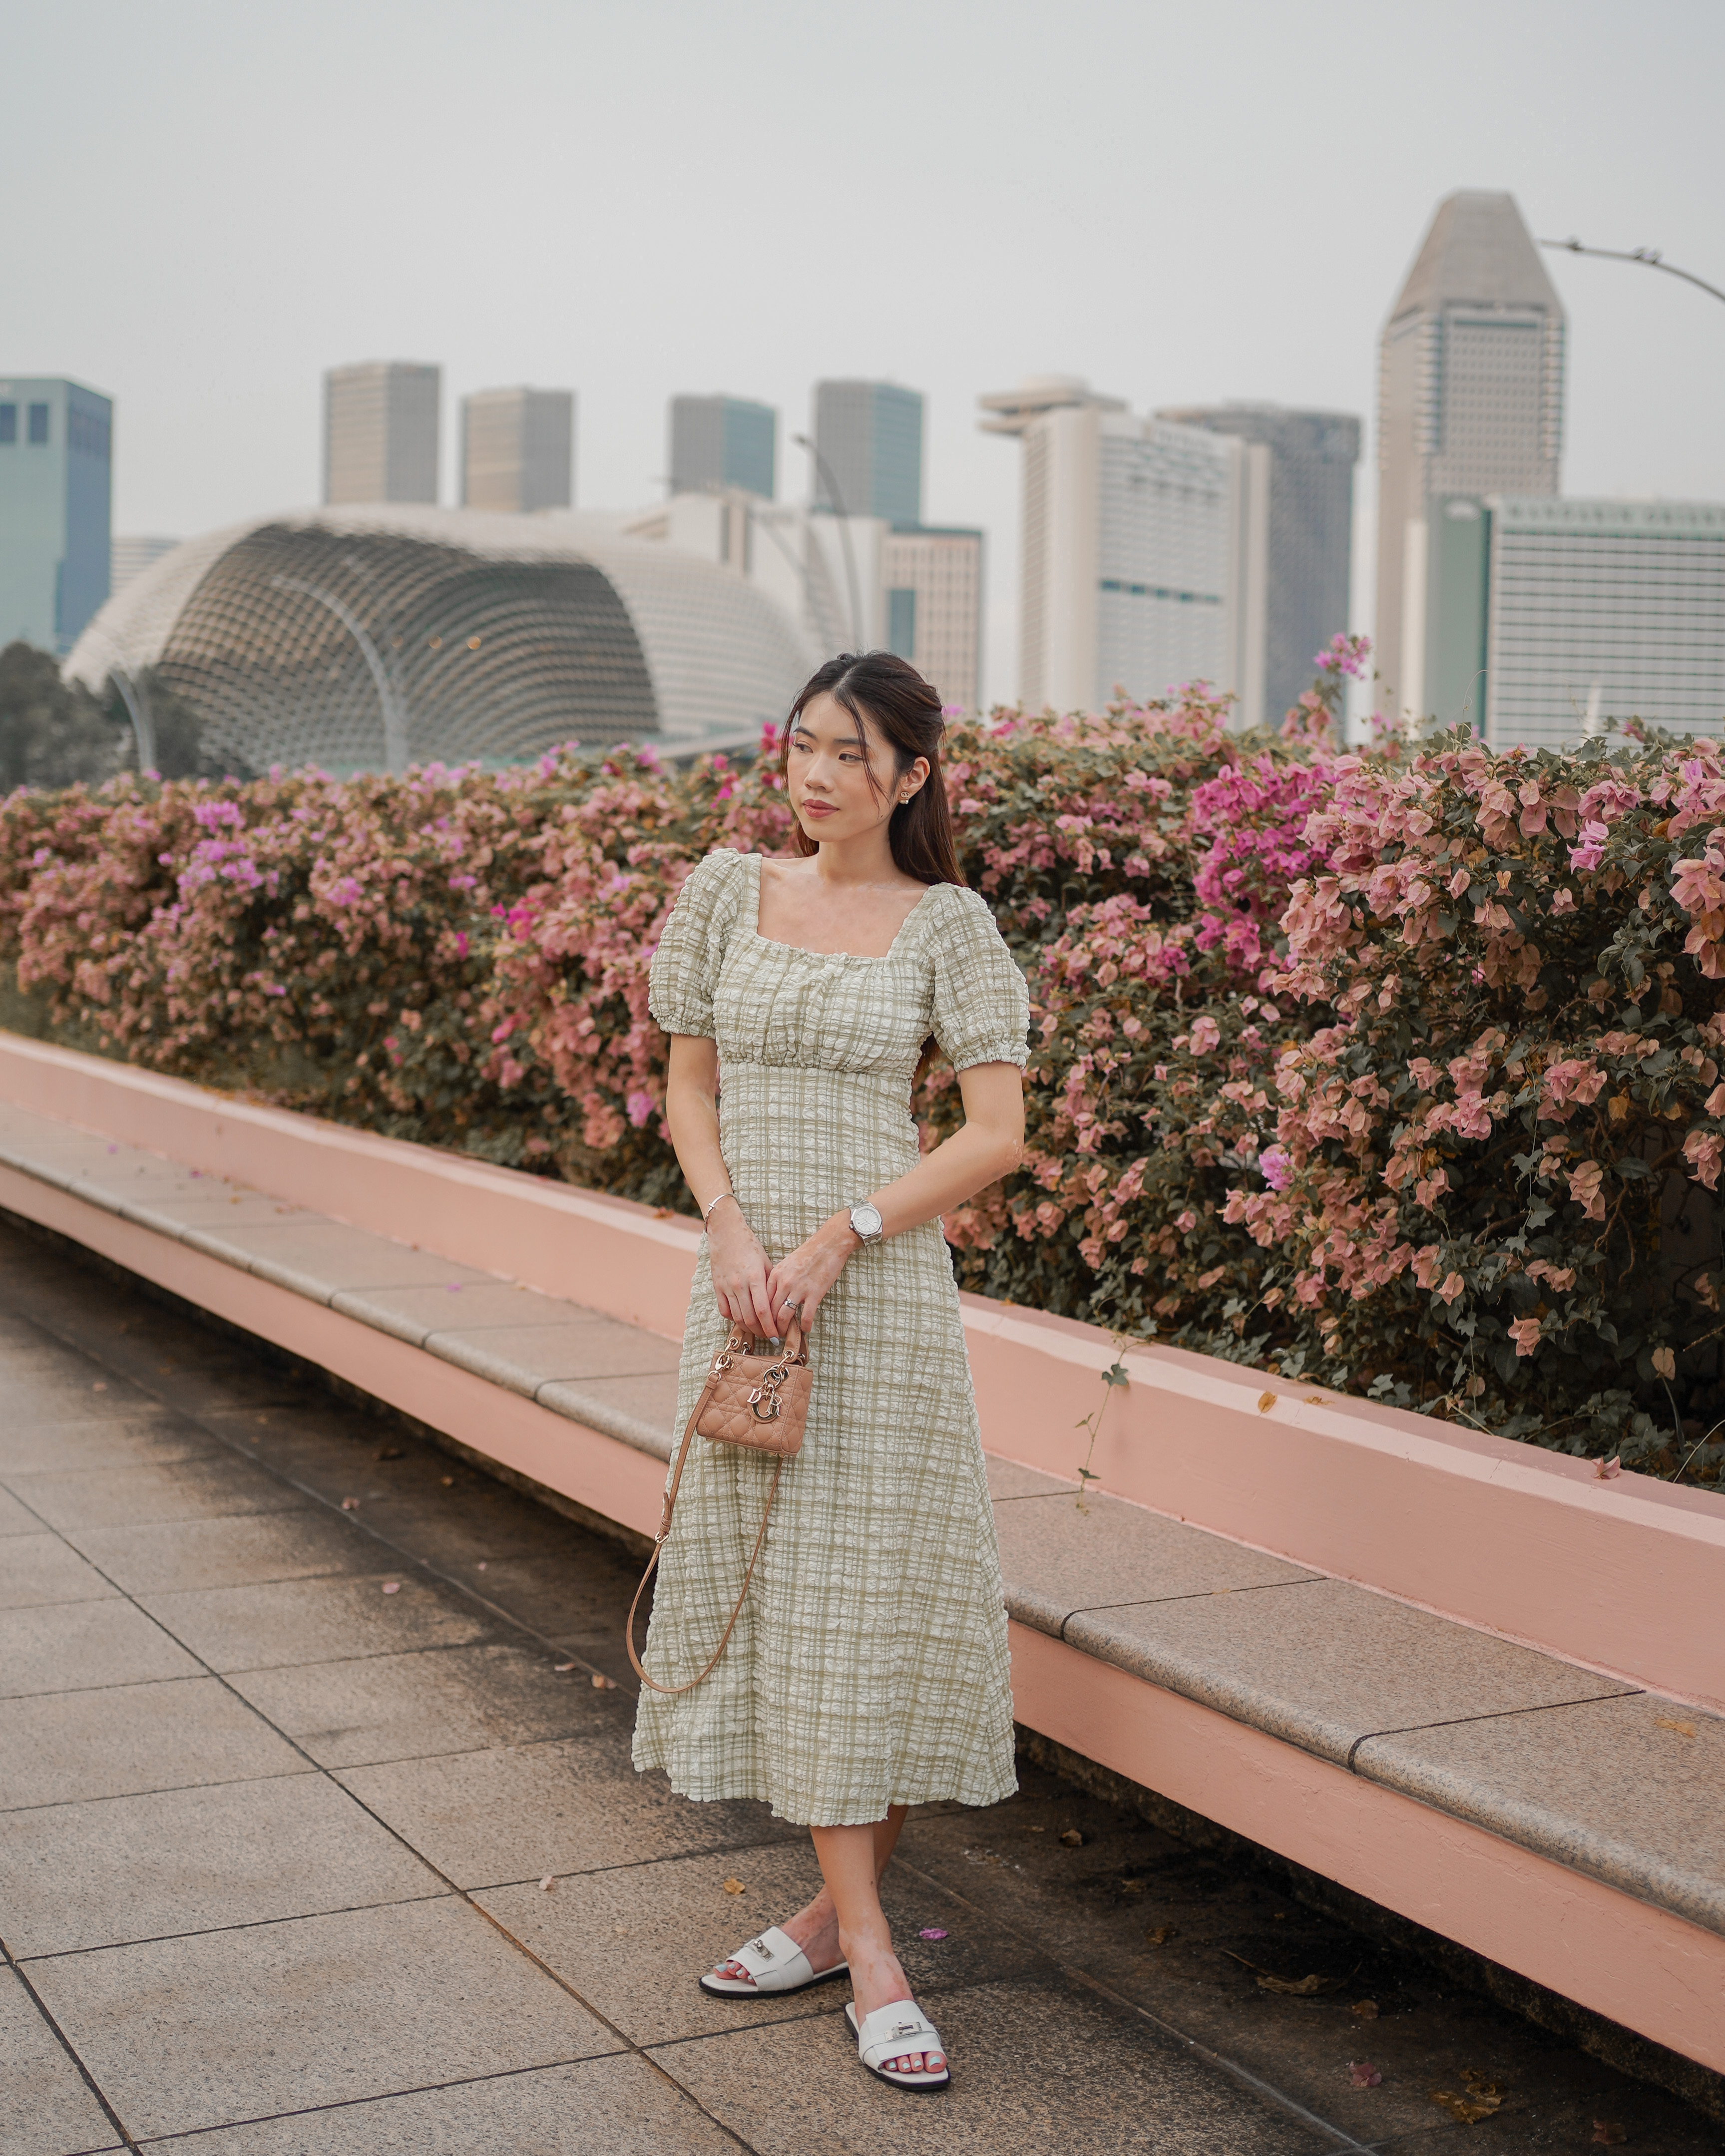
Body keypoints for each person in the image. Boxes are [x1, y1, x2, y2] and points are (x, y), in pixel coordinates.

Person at [633, 650, 1029, 2094]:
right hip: (744, 1300)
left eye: (853, 755)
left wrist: (844, 1236)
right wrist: (735, 1235)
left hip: (875, 1300)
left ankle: (840, 1933)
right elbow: (687, 1087)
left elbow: (996, 1133)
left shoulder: (951, 926)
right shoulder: (726, 892)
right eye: (803, 745)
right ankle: (865, 1947)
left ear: (912, 776)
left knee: (880, 1608)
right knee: (787, 1598)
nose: (816, 775)